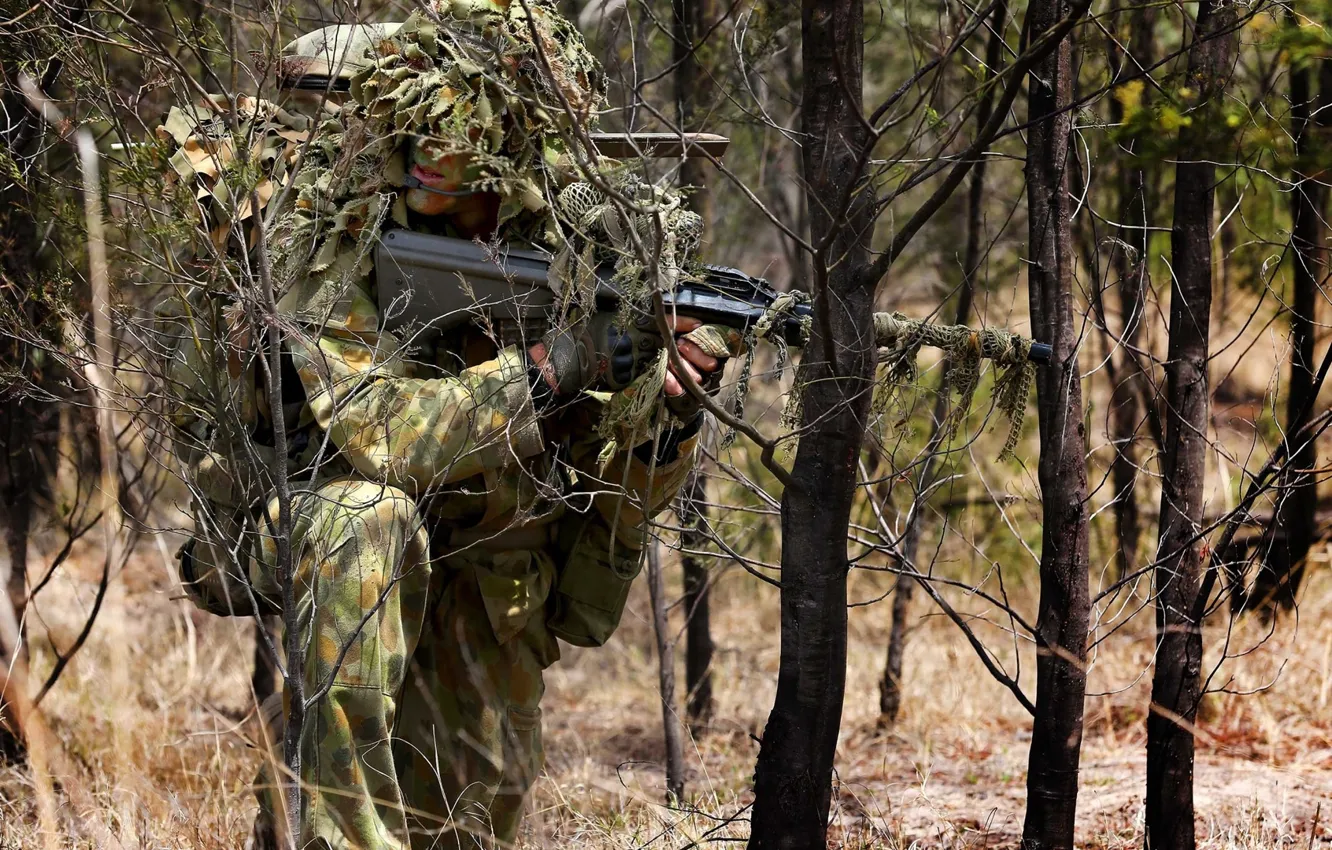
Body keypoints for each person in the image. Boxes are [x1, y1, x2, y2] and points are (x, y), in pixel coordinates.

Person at [155, 2, 739, 847]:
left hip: (491, 564)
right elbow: (380, 432)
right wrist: (557, 364)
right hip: (329, 537)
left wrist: (669, 411)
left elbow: (616, 468)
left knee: (472, 816)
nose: (438, 174)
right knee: (364, 520)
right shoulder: (322, 232)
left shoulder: (567, 230)